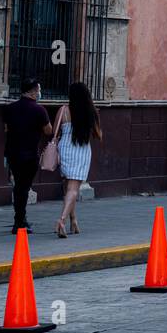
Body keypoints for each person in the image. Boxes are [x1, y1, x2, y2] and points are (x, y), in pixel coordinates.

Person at [2, 78, 54, 234]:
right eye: (38, 90)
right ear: (33, 91)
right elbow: (48, 131)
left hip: (12, 152)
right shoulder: (39, 110)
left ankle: (20, 218)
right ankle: (19, 221)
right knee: (23, 187)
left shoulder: (10, 108)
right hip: (29, 153)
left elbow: (6, 129)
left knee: (18, 185)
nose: (39, 93)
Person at [53, 81, 101, 237]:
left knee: (68, 188)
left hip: (65, 148)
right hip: (81, 149)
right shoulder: (90, 111)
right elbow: (98, 135)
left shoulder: (63, 110)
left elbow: (54, 131)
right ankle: (62, 220)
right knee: (73, 189)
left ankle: (74, 221)